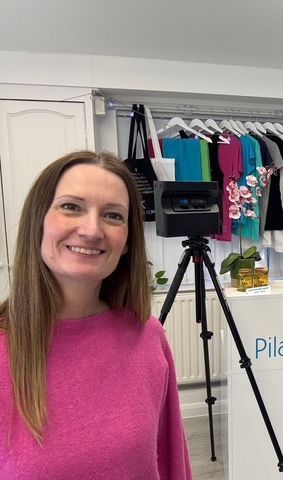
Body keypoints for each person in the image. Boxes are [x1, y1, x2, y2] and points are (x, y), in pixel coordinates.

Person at [0, 151, 192, 478]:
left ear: (128, 240)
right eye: (71, 207)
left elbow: (173, 462)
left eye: (113, 216)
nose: (91, 230)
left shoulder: (146, 336)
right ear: (38, 221)